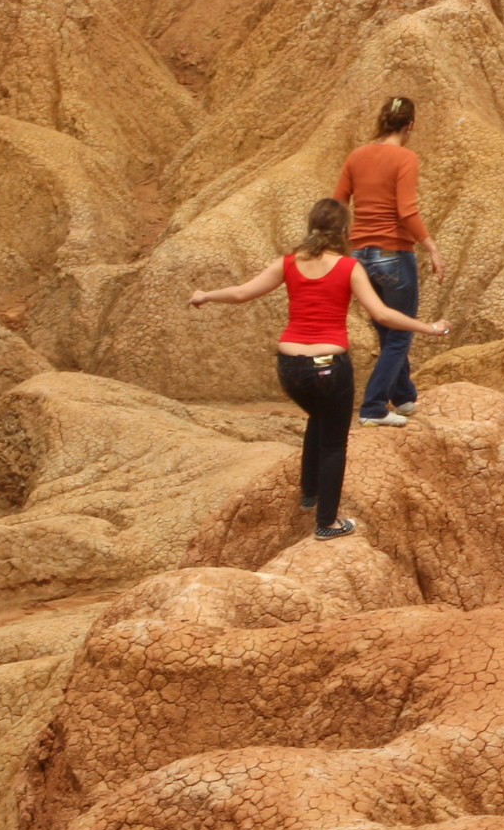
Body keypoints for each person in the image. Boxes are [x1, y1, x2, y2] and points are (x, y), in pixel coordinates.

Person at [186, 198, 435, 539]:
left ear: (311, 228)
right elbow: (382, 314)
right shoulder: (349, 267)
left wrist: (206, 295)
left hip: (290, 368)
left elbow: (243, 293)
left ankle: (310, 493)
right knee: (333, 443)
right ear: (344, 231)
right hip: (328, 366)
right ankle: (327, 523)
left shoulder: (288, 263)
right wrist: (428, 327)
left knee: (318, 417)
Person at [338, 96, 449, 428]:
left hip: (360, 256)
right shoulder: (405, 158)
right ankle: (373, 406)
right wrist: (431, 247)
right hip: (394, 254)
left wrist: (342, 243)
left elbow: (337, 203)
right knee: (399, 335)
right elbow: (406, 210)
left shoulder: (356, 156)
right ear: (410, 125)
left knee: (388, 331)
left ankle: (404, 396)